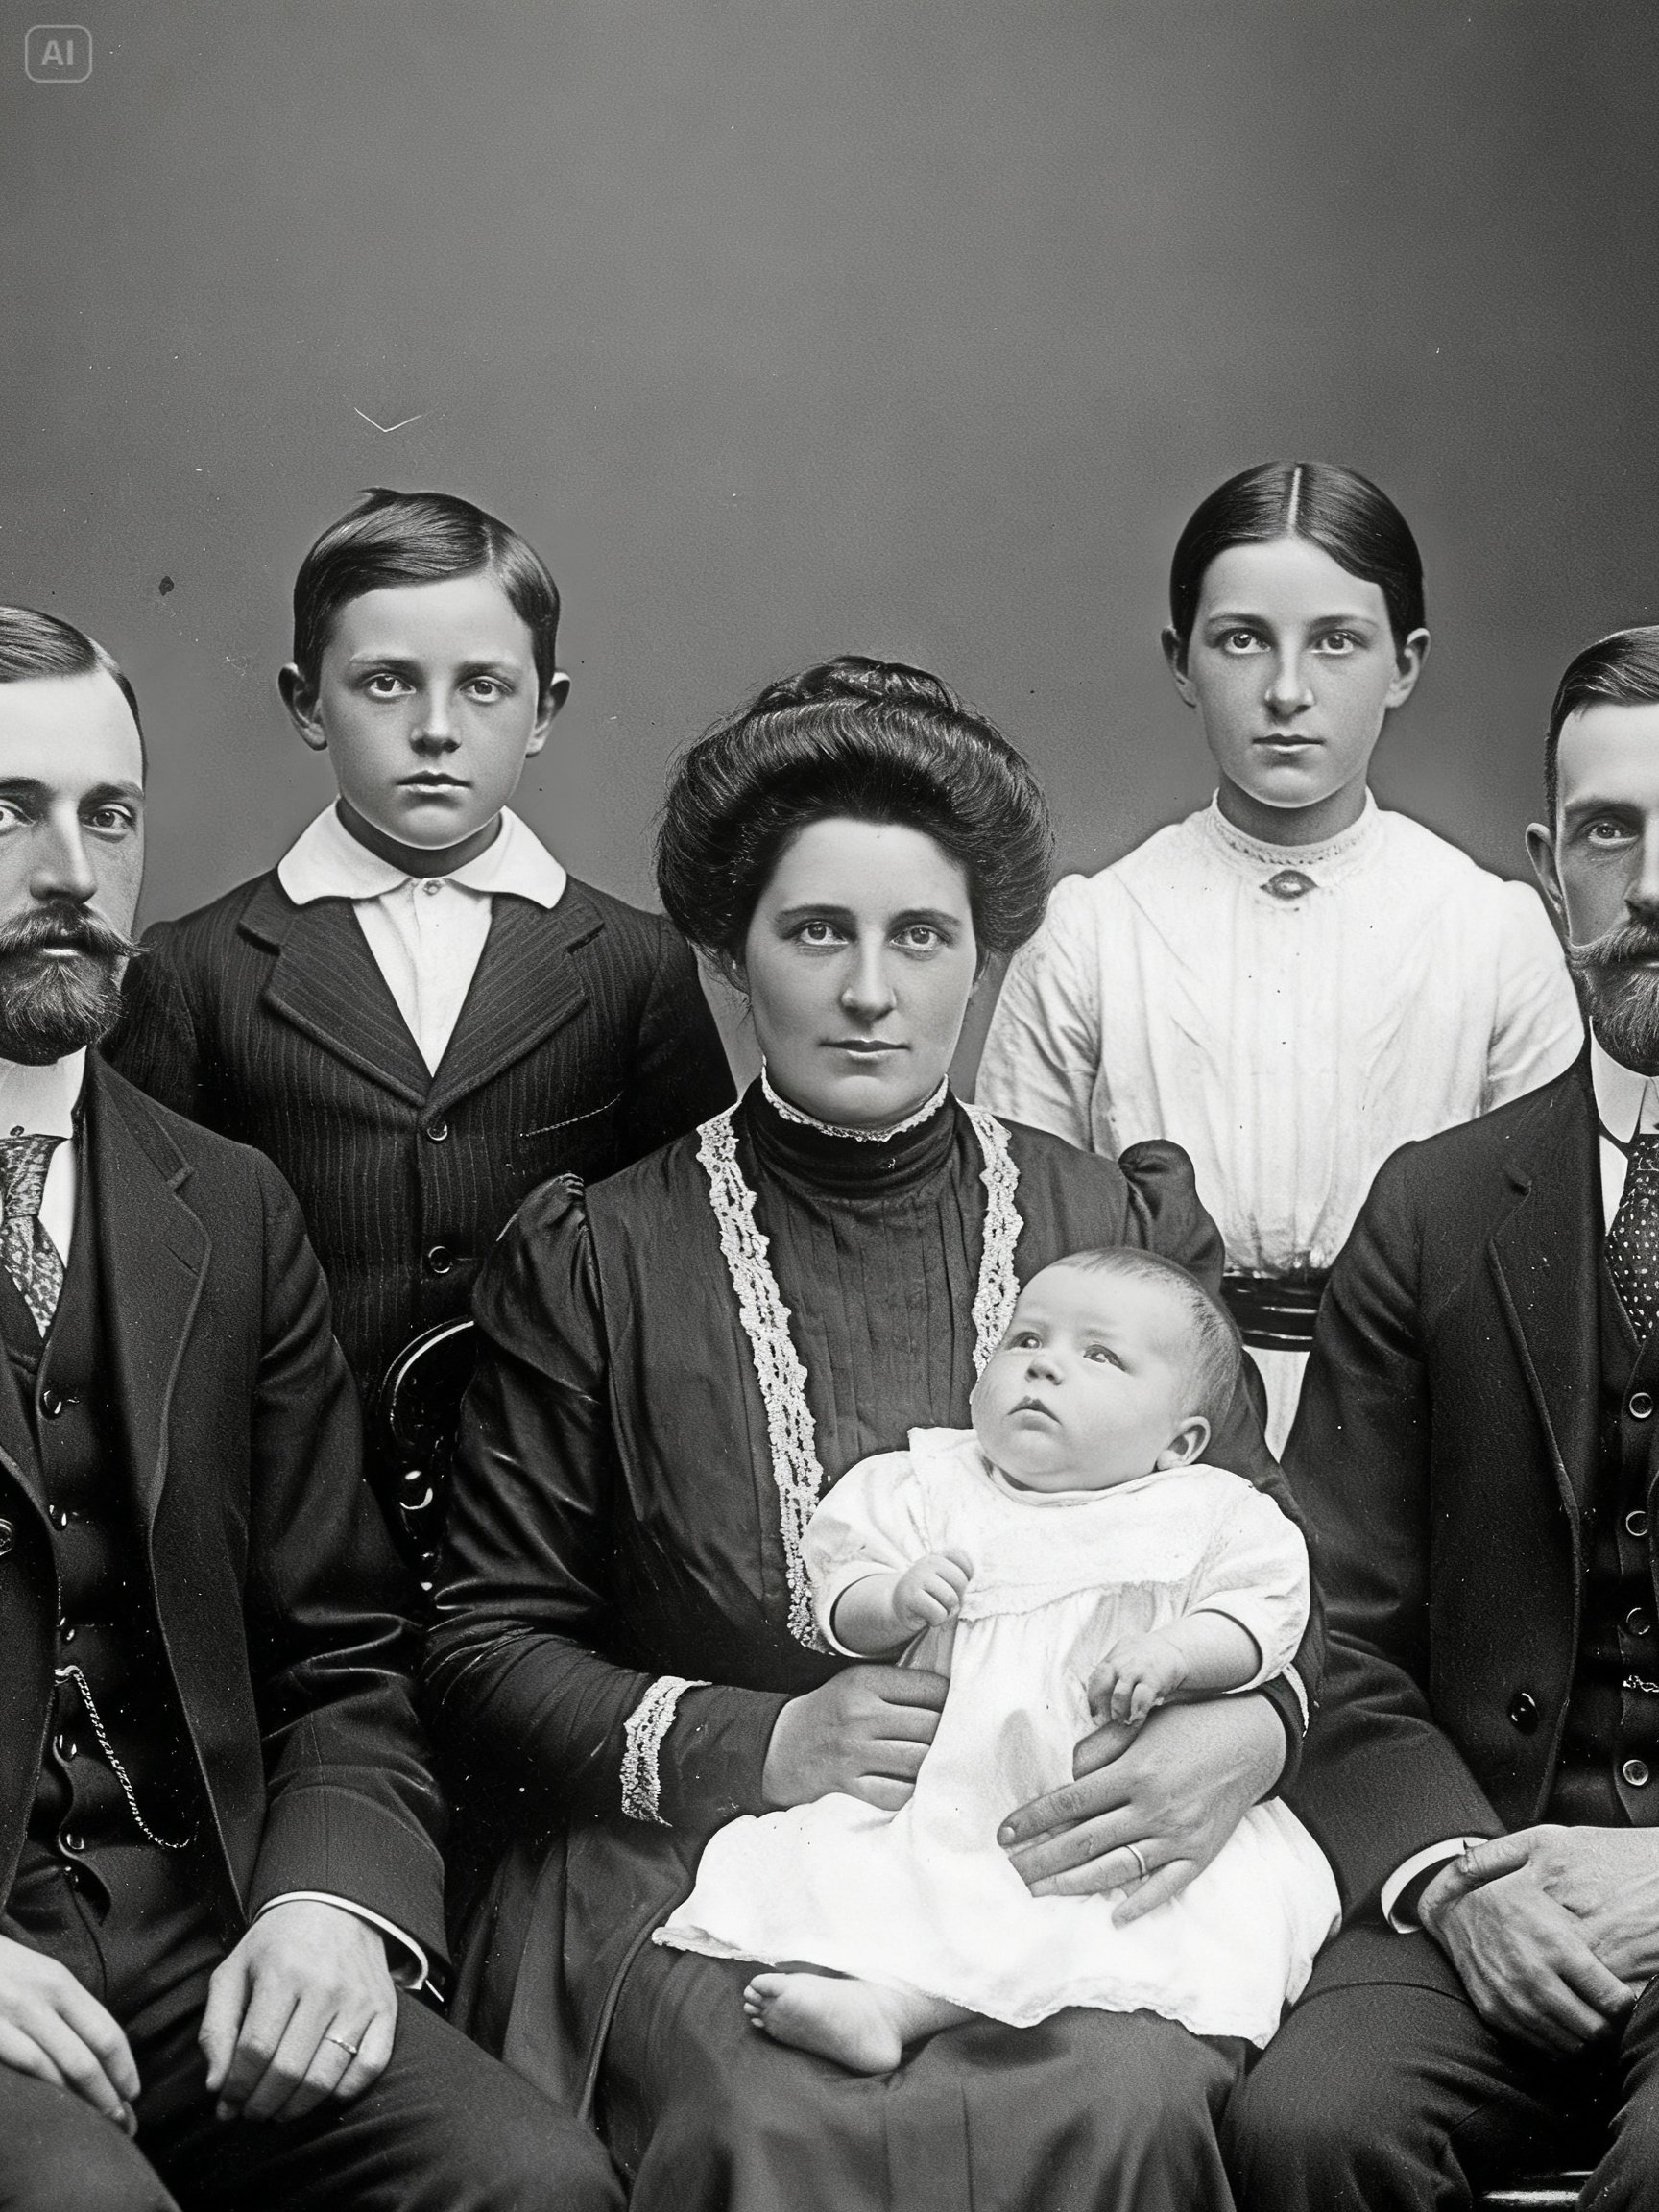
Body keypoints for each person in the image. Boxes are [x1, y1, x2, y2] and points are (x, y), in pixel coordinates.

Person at [425, 655, 1319, 2212]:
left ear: (980, 961)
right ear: (728, 955)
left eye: (919, 936)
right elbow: (485, 1643)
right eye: (813, 931)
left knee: (1119, 2089)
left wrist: (1245, 1730)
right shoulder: (600, 1253)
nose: (866, 989)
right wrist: (750, 1738)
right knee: (774, 2110)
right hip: (709, 1859)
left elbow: (1266, 1559)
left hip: (1056, 1867)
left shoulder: (1104, 1224)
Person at [0, 608, 621, 2210]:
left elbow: (343, 1642)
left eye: (107, 813)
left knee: (534, 2183)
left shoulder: (225, 1197)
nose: (69, 866)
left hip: (205, 1933)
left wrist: (329, 1904)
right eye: (8, 809)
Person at [1220, 626, 1659, 2210]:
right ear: (1548, 869)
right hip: (1477, 1872)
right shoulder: (1436, 1204)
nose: (1650, 883)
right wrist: (1454, 1873)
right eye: (1609, 831)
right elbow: (1321, 1620)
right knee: (1301, 2130)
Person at [977, 460, 1580, 1452]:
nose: (1287, 690)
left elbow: (1548, 1249)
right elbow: (1015, 1231)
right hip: (1152, 1433)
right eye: (1243, 640)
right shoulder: (1094, 929)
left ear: (1406, 664)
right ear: (1182, 661)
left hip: (1426, 1423)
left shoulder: (1490, 931)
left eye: (1337, 642)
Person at [109, 488, 732, 1437]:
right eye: (387, 682)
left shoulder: (634, 965)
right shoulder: (194, 971)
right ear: (306, 702)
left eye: (483, 686)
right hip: (290, 1498)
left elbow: (688, 1263)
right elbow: (147, 1284)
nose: (436, 729)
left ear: (544, 712)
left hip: (553, 1498)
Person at [658, 1246, 1338, 2073]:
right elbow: (843, 1588)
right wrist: (896, 1600)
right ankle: (879, 1994)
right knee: (910, 1890)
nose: (1045, 1367)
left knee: (1090, 1918)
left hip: (1098, 1808)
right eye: (1024, 1341)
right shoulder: (931, 1483)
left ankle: (899, 2010)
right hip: (949, 1798)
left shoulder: (1209, 1509)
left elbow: (1261, 1615)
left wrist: (1176, 1655)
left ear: (1180, 1441)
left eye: (1099, 1356)